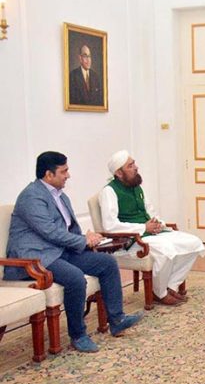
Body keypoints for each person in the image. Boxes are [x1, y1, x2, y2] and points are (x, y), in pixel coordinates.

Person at [4, 151, 143, 353]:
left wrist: (88, 239)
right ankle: (78, 335)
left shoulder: (61, 196)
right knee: (76, 278)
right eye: (64, 171)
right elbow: (50, 232)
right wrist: (82, 240)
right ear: (48, 175)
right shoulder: (31, 197)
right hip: (37, 257)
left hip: (59, 250)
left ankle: (117, 319)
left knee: (107, 263)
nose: (68, 175)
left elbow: (68, 230)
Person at [99, 150, 205, 306]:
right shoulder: (109, 191)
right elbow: (110, 226)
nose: (136, 167)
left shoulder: (136, 186)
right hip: (131, 240)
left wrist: (157, 224)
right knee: (166, 250)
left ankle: (170, 286)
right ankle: (159, 293)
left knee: (193, 243)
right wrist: (144, 227)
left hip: (150, 234)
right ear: (119, 173)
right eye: (130, 165)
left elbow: (150, 211)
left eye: (134, 163)